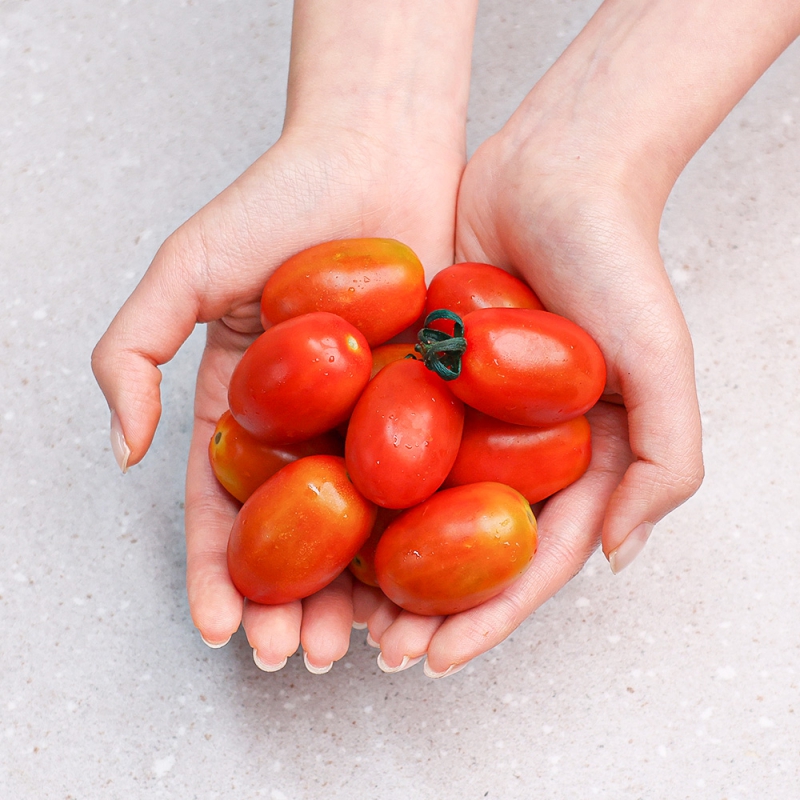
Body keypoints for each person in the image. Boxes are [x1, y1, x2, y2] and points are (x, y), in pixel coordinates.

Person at [91, 0, 800, 677]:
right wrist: (373, 111)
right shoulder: (422, 359)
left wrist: (589, 155)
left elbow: (416, 442)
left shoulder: (438, 356)